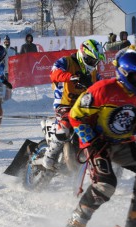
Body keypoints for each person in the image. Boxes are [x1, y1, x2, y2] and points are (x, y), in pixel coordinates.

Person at [60, 52, 136, 227]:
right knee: (105, 185)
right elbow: (75, 116)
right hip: (99, 144)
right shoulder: (102, 90)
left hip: (122, 143)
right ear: (124, 74)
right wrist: (90, 138)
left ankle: (135, 221)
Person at [42, 39, 105, 170]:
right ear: (84, 55)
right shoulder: (67, 61)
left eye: (96, 61)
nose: (94, 63)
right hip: (65, 103)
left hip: (84, 106)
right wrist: (72, 77)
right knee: (65, 126)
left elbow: (102, 86)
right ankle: (50, 156)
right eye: (92, 60)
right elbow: (54, 73)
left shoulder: (93, 72)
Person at [3, 35, 16, 101]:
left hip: (10, 71)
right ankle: (3, 97)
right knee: (3, 84)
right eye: (5, 41)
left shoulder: (12, 50)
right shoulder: (1, 49)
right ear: (4, 42)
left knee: (9, 84)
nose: (7, 43)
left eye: (8, 41)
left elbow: (15, 60)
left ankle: (9, 98)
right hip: (3, 71)